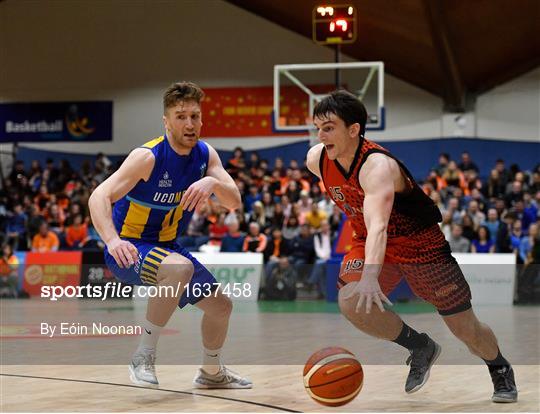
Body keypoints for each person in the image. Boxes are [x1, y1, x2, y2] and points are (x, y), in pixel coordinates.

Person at [305, 90, 517, 402]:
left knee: (465, 328)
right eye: (318, 128)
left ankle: (499, 367)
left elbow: (380, 225)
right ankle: (419, 345)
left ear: (354, 129)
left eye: (329, 127)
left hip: (420, 245)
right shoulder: (317, 159)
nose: (321, 135)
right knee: (351, 300)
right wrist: (364, 280)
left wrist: (370, 277)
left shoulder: (377, 166)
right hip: (367, 241)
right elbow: (371, 231)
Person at [88, 82, 251, 389]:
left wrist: (212, 185)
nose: (189, 124)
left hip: (167, 248)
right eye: (180, 116)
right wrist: (111, 240)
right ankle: (143, 355)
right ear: (166, 122)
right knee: (179, 267)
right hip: (128, 249)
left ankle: (211, 373)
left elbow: (234, 202)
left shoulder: (205, 155)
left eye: (195, 116)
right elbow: (99, 195)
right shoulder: (147, 157)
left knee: (221, 307)